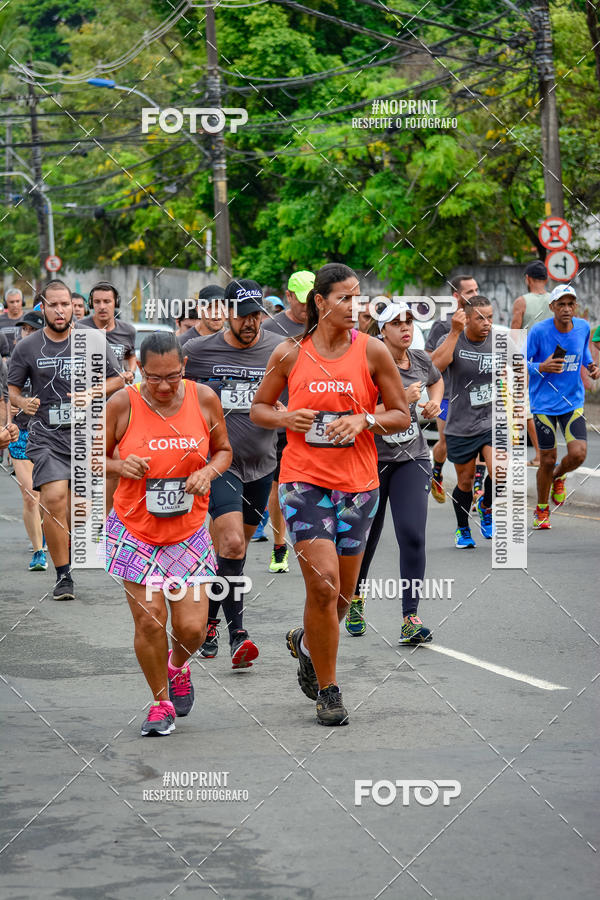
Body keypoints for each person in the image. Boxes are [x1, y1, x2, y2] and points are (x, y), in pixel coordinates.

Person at [251, 263, 410, 726]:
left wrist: (366, 420)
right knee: (322, 584)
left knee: (341, 595)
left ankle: (306, 643)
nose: (353, 306)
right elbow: (259, 408)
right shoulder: (289, 352)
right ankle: (329, 689)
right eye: (344, 297)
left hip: (358, 486)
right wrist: (286, 418)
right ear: (319, 302)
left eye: (358, 297)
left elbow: (402, 415)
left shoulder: (372, 350)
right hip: (304, 480)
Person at [104, 332, 232, 736]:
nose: (163, 386)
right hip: (134, 529)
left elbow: (224, 451)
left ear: (184, 368)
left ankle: (177, 667)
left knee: (192, 628)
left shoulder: (204, 398)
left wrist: (207, 472)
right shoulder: (122, 403)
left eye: (172, 376)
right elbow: (91, 458)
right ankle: (160, 703)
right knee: (150, 622)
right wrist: (120, 466)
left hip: (187, 531)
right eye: (154, 377)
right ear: (140, 369)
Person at [184, 279, 284, 666]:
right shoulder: (198, 351)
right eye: (242, 315)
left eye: (256, 314)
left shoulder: (279, 349)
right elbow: (172, 390)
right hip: (219, 464)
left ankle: (209, 620)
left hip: (263, 464)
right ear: (226, 313)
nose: (250, 322)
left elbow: (300, 393)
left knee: (231, 556)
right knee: (232, 544)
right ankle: (238, 634)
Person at [8, 280, 122, 600]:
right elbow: (12, 391)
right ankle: (63, 575)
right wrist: (22, 403)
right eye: (53, 305)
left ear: (74, 307)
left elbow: (117, 380)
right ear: (42, 307)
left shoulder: (93, 339)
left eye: (65, 304)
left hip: (87, 436)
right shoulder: (27, 348)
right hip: (46, 436)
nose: (60, 311)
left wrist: (92, 393)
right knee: (54, 497)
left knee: (78, 509)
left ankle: (68, 540)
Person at [345, 302, 443, 642]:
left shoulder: (420, 360)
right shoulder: (368, 362)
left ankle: (410, 617)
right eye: (397, 323)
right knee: (366, 536)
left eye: (409, 322)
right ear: (382, 330)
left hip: (412, 458)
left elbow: (437, 380)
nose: (405, 328)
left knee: (413, 534)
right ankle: (355, 597)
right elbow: (359, 413)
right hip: (371, 460)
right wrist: (402, 397)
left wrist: (434, 402)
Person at [527, 284, 599, 529]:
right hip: (543, 404)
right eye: (561, 304)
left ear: (575, 306)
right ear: (552, 307)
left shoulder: (582, 327)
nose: (566, 309)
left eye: (570, 304)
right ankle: (542, 510)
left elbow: (583, 352)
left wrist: (591, 367)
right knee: (547, 460)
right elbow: (519, 363)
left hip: (572, 401)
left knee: (578, 454)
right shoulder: (539, 331)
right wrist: (541, 366)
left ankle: (558, 476)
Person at [430, 296, 495, 549]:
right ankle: (463, 528)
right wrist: (455, 332)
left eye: (490, 317)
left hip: (491, 420)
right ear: (466, 318)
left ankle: (486, 506)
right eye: (481, 318)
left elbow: (519, 366)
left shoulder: (499, 340)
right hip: (461, 423)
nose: (487, 323)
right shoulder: (453, 339)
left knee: (501, 471)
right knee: (465, 481)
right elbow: (434, 367)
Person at [262, 270, 314, 573]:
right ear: (289, 296)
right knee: (278, 485)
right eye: (302, 300)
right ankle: (279, 546)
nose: (308, 306)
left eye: (313, 300)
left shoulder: (323, 324)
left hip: (316, 418)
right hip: (281, 418)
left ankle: (316, 540)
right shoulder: (271, 328)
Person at [80, 282, 137, 515]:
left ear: (116, 303)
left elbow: (130, 355)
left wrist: (130, 371)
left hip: (118, 407)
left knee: (113, 462)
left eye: (107, 301)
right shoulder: (80, 329)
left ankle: (106, 518)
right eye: (97, 302)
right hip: (85, 408)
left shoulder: (127, 330)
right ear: (91, 304)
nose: (102, 306)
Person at [425, 275, 479, 503]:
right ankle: (436, 472)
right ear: (457, 296)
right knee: (446, 441)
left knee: (477, 441)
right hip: (448, 393)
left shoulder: (480, 319)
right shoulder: (443, 324)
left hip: (474, 395)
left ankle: (476, 487)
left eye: (477, 290)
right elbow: (429, 360)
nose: (475, 294)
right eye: (470, 291)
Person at [7, 309, 47, 571]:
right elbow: (5, 397)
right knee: (30, 495)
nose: (27, 333)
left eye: (33, 329)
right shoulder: (13, 360)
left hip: (50, 433)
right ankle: (38, 551)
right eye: (25, 329)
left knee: (49, 495)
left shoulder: (55, 359)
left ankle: (46, 531)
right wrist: (8, 417)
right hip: (20, 433)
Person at [510, 260, 552, 467]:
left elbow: (515, 335)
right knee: (547, 407)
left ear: (528, 278)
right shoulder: (556, 300)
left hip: (530, 362)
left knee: (526, 408)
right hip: (554, 361)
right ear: (546, 278)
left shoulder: (522, 301)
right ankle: (547, 452)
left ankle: (540, 454)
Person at [0, 288, 25, 354]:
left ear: (22, 302)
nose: (15, 305)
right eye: (12, 302)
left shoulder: (29, 319)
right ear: (5, 303)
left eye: (17, 301)